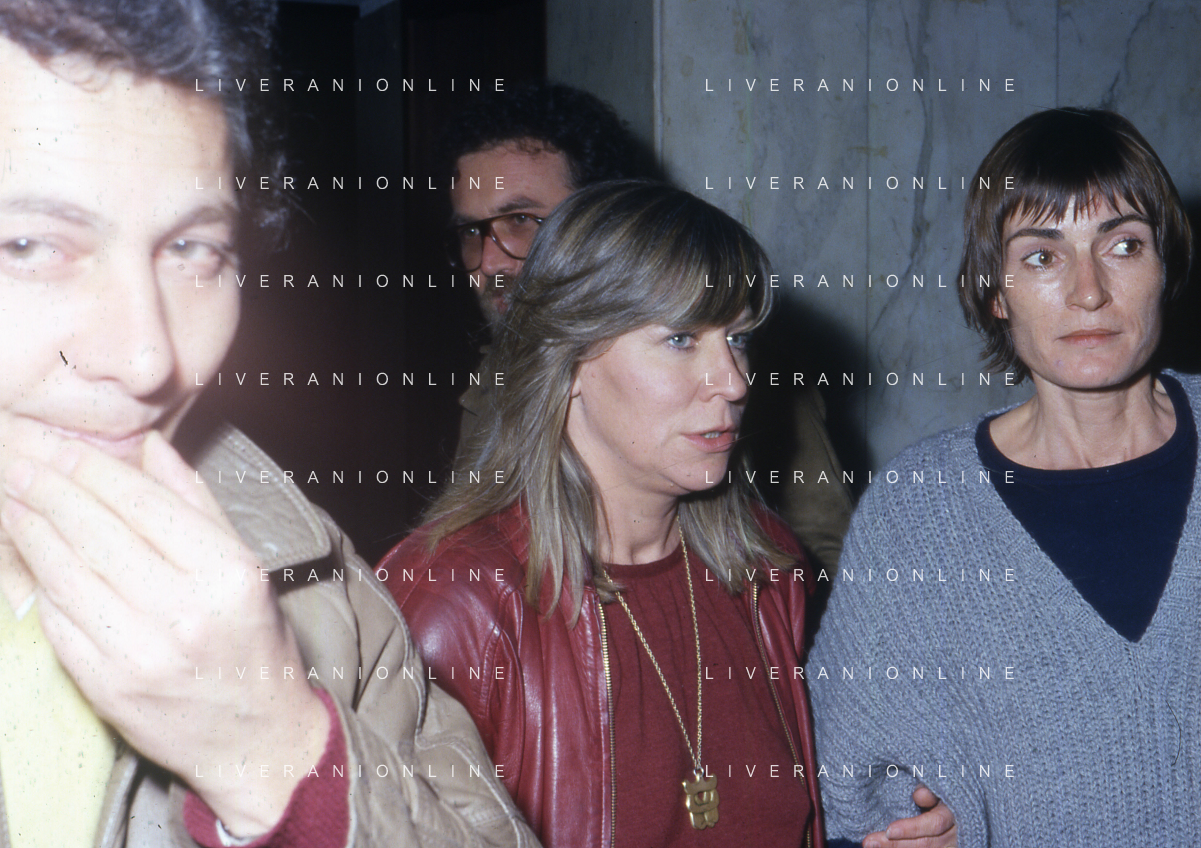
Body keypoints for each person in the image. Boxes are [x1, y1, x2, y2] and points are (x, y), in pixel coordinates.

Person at [0, 2, 535, 846]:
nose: (149, 357)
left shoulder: (307, 571)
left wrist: (278, 755)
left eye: (193, 250)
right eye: (30, 246)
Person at [382, 181, 955, 848]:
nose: (734, 381)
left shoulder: (766, 569)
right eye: (682, 339)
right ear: (568, 358)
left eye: (738, 338)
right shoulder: (453, 603)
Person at [807, 107, 1196, 846]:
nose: (1088, 291)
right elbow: (851, 790)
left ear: (1164, 267)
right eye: (1042, 256)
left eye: (1123, 245)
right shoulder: (917, 514)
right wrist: (924, 827)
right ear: (995, 291)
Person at [441, 82, 853, 571]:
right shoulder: (492, 382)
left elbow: (825, 561)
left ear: (609, 220)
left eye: (521, 220)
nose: (490, 262)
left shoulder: (743, 378)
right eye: (472, 231)